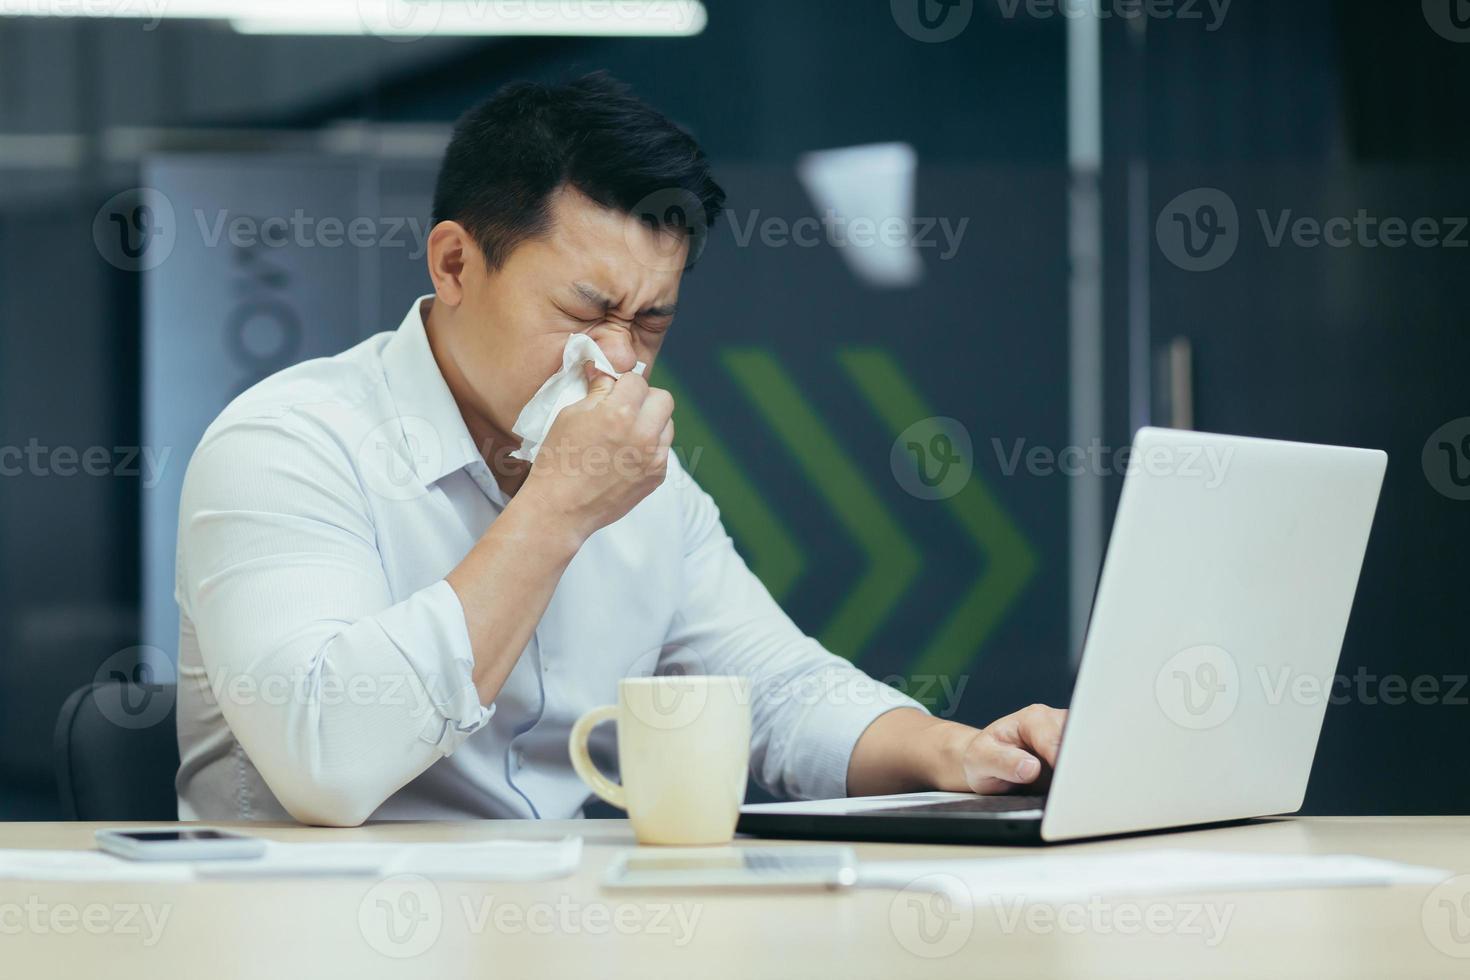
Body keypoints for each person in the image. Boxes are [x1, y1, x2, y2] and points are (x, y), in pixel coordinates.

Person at [174, 71, 1066, 826]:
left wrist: (961, 752)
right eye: (583, 313)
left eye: (651, 322)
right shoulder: (290, 443)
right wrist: (558, 507)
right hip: (306, 933)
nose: (617, 361)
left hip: (551, 931)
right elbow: (326, 760)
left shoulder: (646, 485)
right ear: (453, 266)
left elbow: (780, 693)